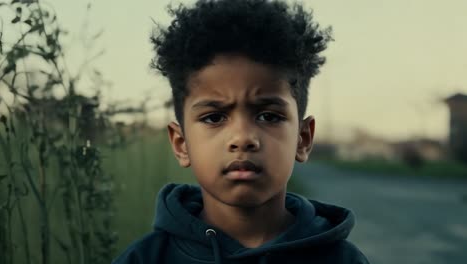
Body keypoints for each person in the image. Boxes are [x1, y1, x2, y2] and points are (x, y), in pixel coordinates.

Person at [113, 0, 369, 263]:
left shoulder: (342, 259)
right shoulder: (144, 259)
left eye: (269, 116)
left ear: (303, 139)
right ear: (181, 144)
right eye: (214, 117)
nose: (243, 138)